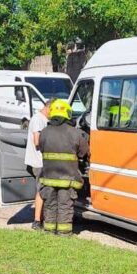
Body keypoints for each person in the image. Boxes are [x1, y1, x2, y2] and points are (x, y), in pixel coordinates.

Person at [38, 99, 89, 235]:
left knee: (50, 205)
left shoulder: (44, 132)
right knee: (65, 206)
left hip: (48, 177)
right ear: (67, 113)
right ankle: (64, 233)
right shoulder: (76, 133)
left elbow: (41, 149)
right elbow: (83, 153)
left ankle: (48, 230)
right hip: (68, 178)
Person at [24, 98, 53, 230]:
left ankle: (41, 218)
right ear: (49, 107)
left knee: (42, 189)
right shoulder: (38, 119)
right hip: (39, 161)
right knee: (41, 191)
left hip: (41, 161)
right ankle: (37, 221)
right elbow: (37, 142)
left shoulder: (42, 119)